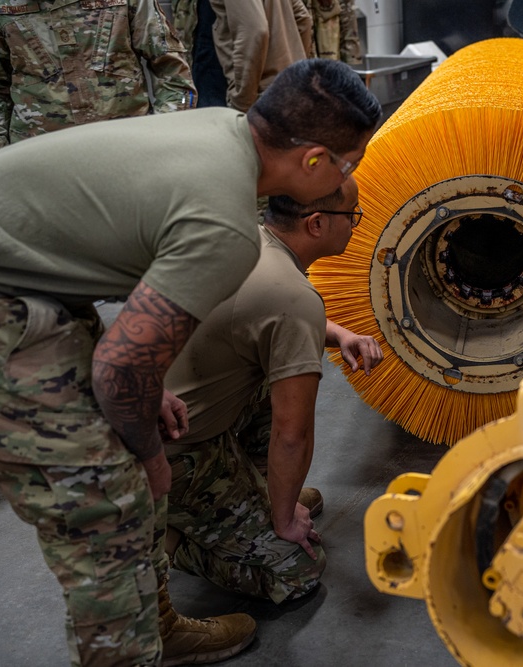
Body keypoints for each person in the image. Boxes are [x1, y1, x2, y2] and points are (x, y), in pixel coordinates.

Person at [0, 58, 381, 666]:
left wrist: (141, 390)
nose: (347, 176)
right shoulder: (226, 223)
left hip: (36, 283)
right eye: (347, 163)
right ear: (313, 163)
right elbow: (122, 369)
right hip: (13, 299)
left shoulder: (220, 130)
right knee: (110, 505)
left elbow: (125, 319)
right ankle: (132, 647)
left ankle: (161, 621)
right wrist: (149, 457)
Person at [163, 177, 382, 603]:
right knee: (297, 569)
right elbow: (291, 434)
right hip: (176, 450)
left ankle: (251, 499)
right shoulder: (293, 297)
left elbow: (266, 317)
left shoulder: (250, 240)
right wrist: (282, 520)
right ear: (316, 224)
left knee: (275, 371)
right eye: (352, 215)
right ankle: (168, 537)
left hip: (178, 414)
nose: (356, 225)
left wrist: (337, 334)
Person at [0, 0, 196, 149]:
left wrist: (164, 141)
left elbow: (173, 74)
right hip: (37, 157)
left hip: (125, 149)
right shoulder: (3, 6)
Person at [209, 0, 314, 112]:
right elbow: (303, 19)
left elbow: (255, 31)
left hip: (260, 99)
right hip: (289, 88)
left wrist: (241, 103)